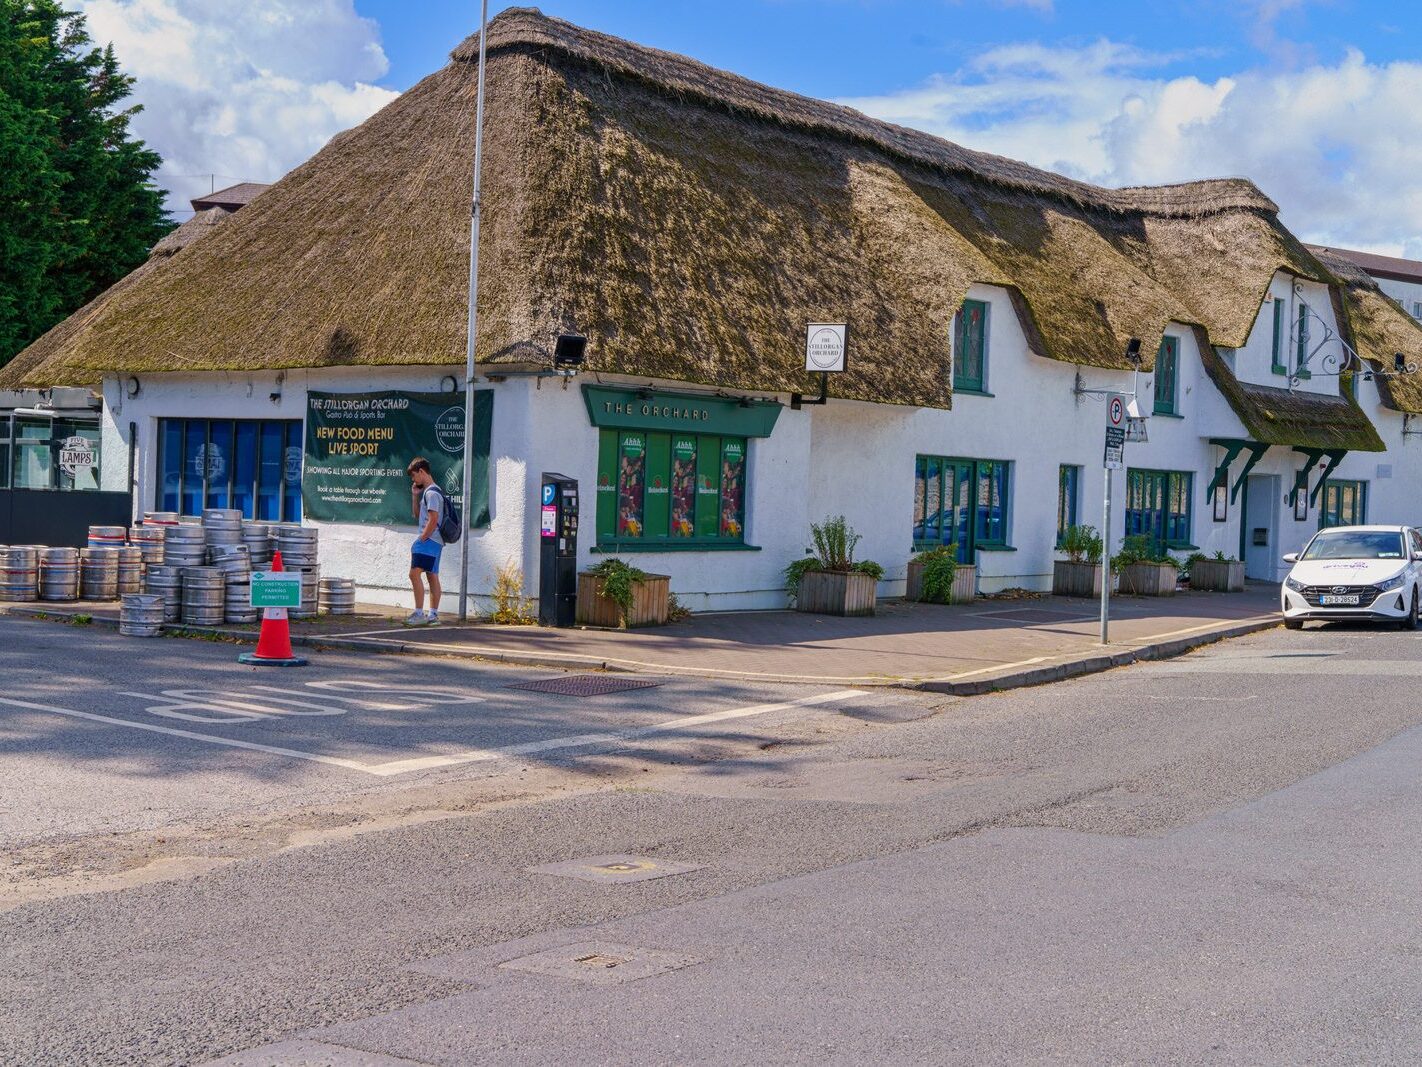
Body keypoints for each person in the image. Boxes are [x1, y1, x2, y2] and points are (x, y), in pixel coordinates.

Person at [406, 457, 444, 625]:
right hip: (436, 541)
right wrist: (415, 496)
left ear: (421, 471)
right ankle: (433, 616)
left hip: (429, 540)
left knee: (414, 574)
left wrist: (421, 539)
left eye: (414, 476)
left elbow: (433, 519)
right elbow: (417, 515)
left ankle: (419, 613)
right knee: (431, 575)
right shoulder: (429, 492)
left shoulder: (432, 493)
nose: (414, 480)